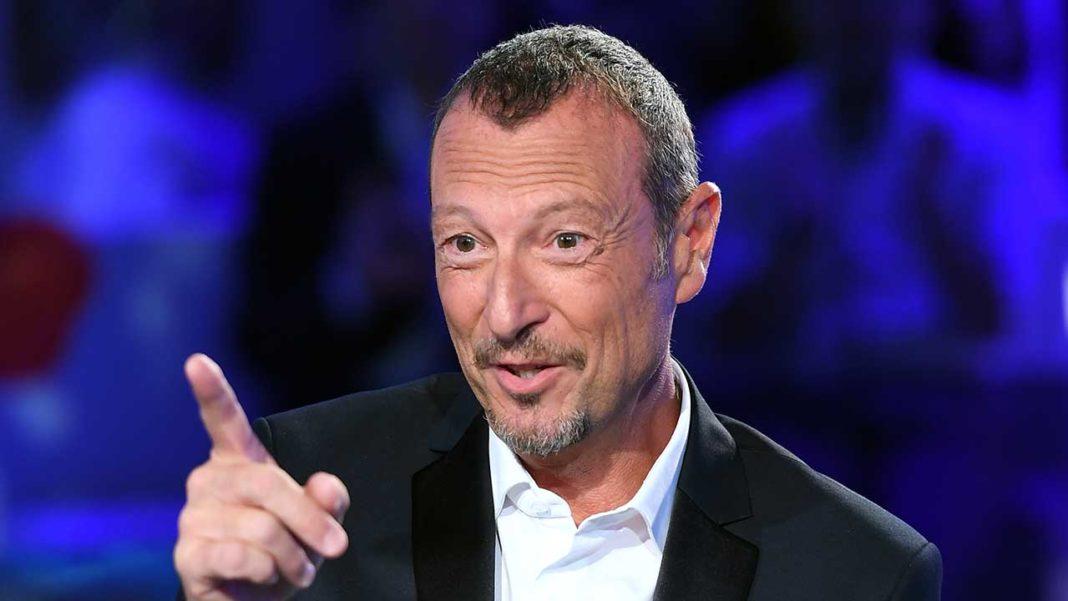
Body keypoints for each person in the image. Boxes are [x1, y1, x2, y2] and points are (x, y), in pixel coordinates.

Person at [174, 25, 941, 600]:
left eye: (565, 241)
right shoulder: (308, 499)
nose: (504, 313)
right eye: (466, 244)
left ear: (689, 243)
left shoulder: (857, 573)